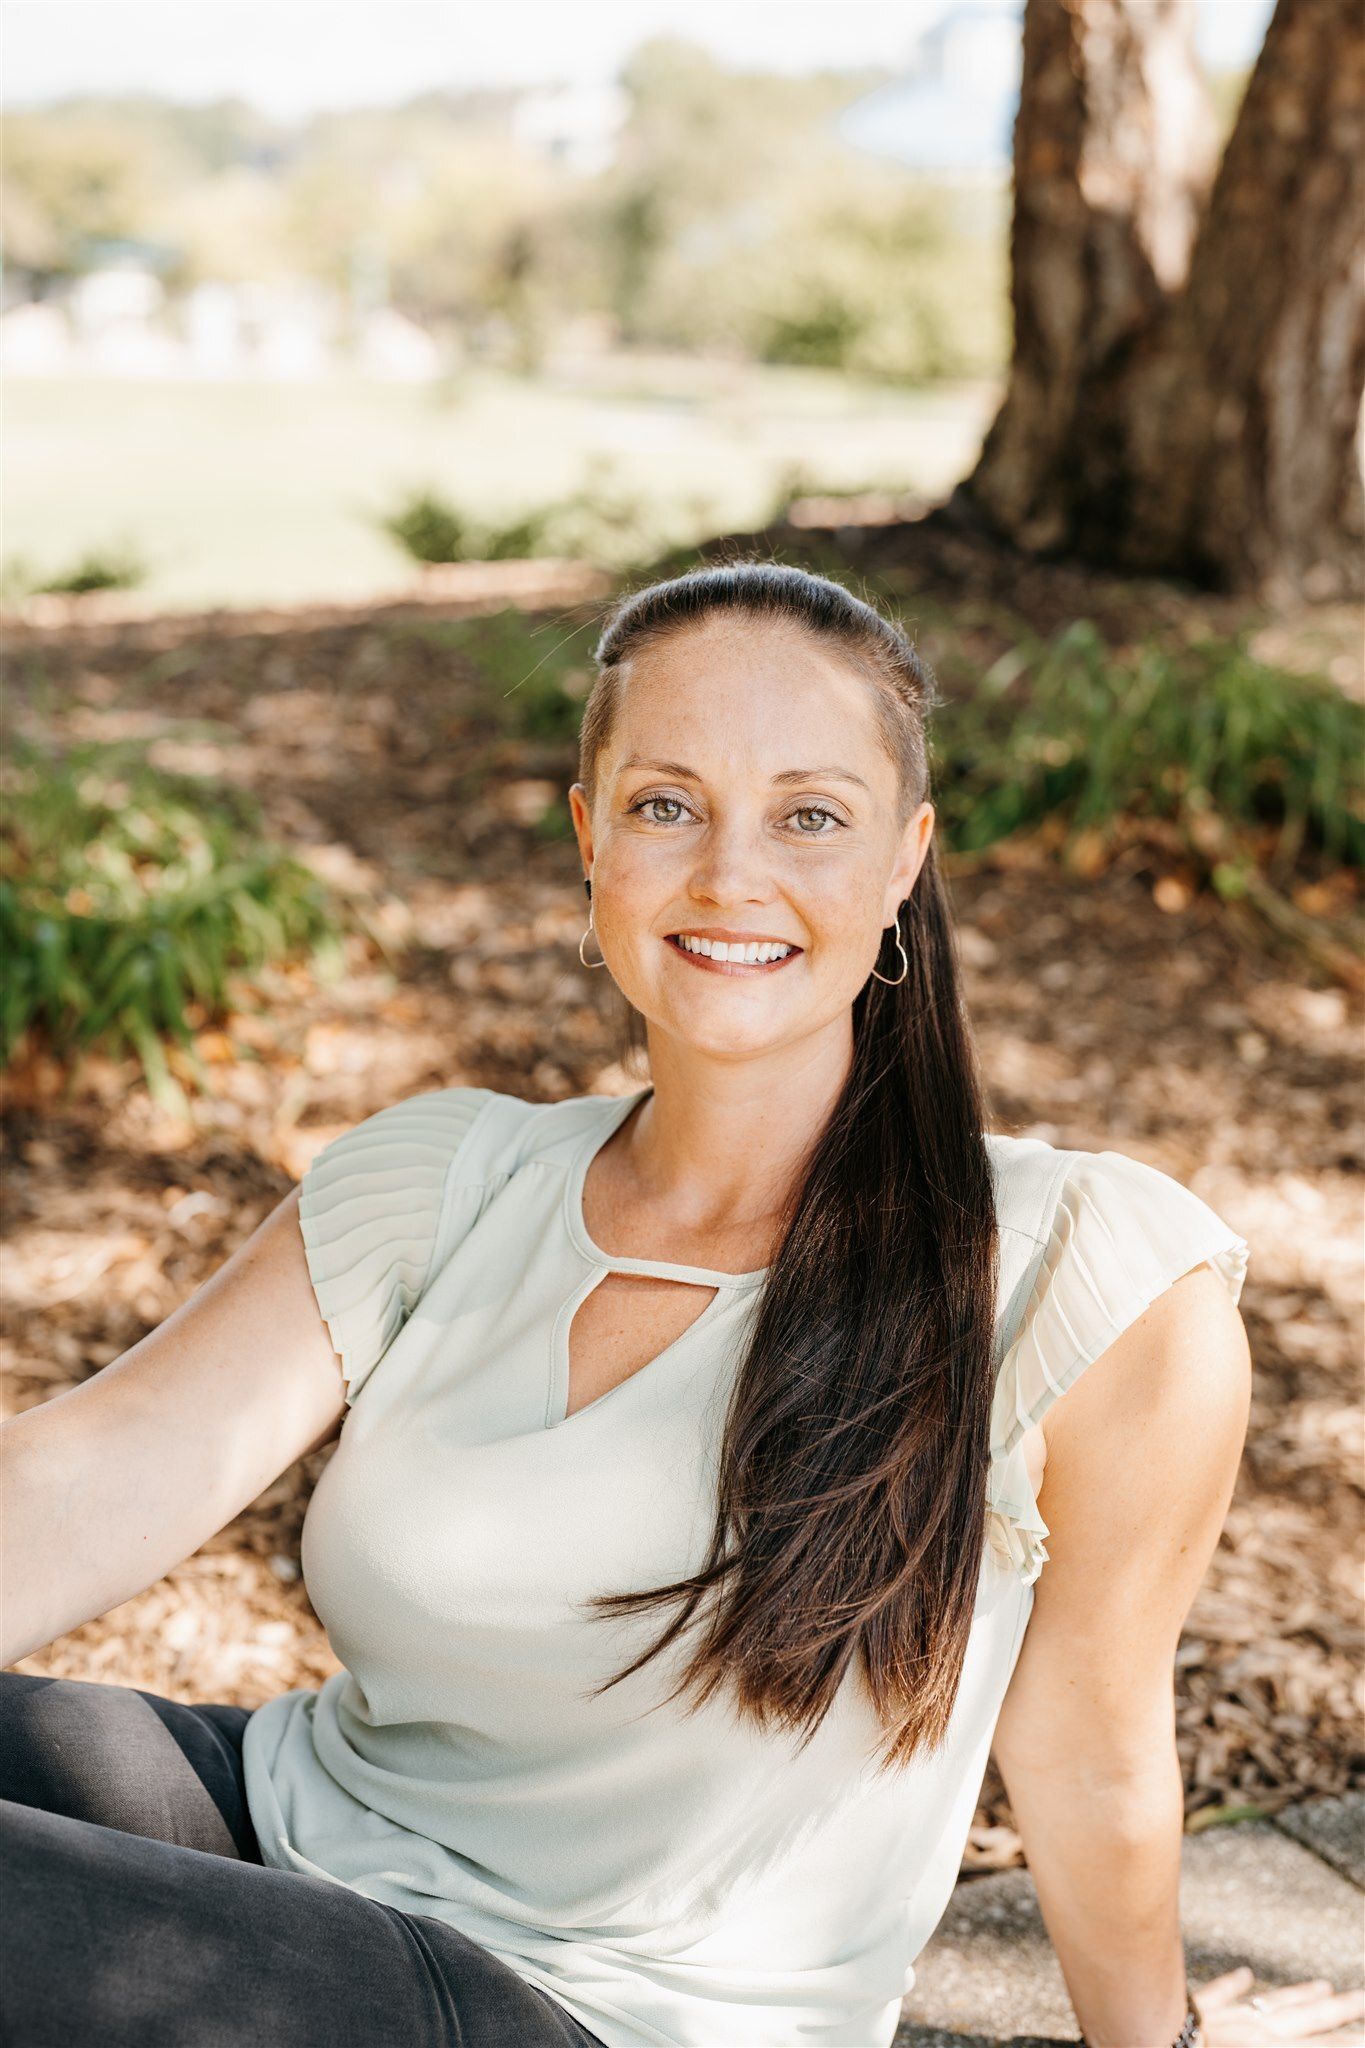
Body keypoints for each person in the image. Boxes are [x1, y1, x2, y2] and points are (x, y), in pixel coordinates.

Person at [1, 562, 1359, 2048]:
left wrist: (1150, 2043)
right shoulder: (442, 1177)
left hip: (589, 2013)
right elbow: (86, 1472)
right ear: (589, 842)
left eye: (808, 814)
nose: (729, 874)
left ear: (904, 860)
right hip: (286, 1834)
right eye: (664, 804)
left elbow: (1089, 1746)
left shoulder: (1082, 1273)